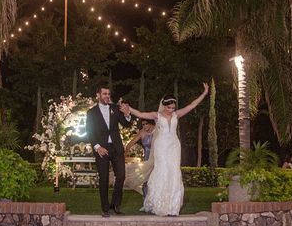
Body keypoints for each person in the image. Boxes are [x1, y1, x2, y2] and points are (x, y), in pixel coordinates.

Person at [128, 83, 209, 216]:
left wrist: (204, 93)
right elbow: (140, 113)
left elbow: (192, 105)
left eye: (173, 107)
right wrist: (128, 108)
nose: (171, 109)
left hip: (174, 146)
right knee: (162, 170)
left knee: (173, 171)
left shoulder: (177, 114)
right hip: (161, 146)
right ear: (164, 105)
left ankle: (172, 205)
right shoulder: (157, 115)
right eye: (169, 107)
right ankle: (158, 203)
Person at [86, 86, 132, 217]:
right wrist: (97, 147)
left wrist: (127, 115)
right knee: (104, 179)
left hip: (116, 148)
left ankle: (115, 205)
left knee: (121, 176)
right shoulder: (91, 112)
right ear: (98, 95)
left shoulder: (115, 109)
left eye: (108, 94)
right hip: (102, 149)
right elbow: (89, 131)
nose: (107, 96)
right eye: (104, 94)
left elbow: (126, 124)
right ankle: (105, 208)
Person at [124, 119, 155, 196]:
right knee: (146, 180)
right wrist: (124, 153)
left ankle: (157, 201)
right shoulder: (142, 132)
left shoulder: (157, 130)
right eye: (143, 124)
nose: (144, 126)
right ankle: (147, 201)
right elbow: (131, 142)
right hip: (147, 159)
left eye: (146, 124)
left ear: (151, 123)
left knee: (155, 179)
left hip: (157, 158)